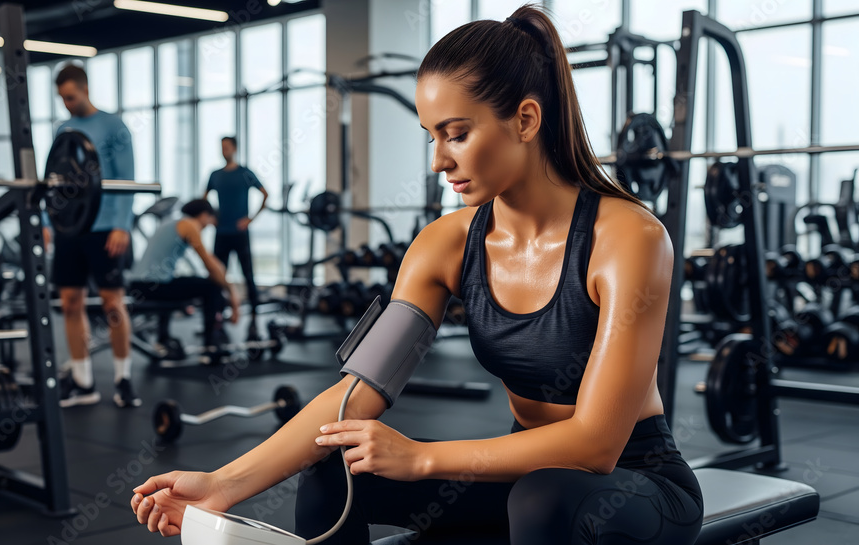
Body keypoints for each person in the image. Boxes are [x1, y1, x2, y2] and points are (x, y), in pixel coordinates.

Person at [130, 6, 703, 545]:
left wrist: (422, 458)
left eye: (456, 134)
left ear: (526, 119)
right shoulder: (445, 243)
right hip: (521, 472)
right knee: (336, 474)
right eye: (431, 136)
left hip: (635, 483)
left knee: (544, 496)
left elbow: (596, 446)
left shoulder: (628, 236)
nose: (438, 161)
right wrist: (226, 484)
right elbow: (357, 395)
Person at [46, 64, 139, 409]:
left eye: (70, 97)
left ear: (85, 90)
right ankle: (84, 382)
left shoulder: (114, 126)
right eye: (61, 98)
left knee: (112, 303)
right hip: (70, 228)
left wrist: (121, 224)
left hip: (104, 228)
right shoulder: (63, 129)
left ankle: (123, 378)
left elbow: (126, 178)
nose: (66, 104)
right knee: (70, 303)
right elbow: (55, 179)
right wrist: (47, 220)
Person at [129, 199, 241, 350]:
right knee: (211, 287)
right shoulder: (190, 224)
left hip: (140, 284)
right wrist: (233, 295)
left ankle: (163, 338)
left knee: (175, 281)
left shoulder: (172, 222)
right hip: (153, 286)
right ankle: (212, 343)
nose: (208, 226)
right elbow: (210, 264)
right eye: (209, 221)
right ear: (203, 215)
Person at [201, 136, 268, 321]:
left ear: (235, 149)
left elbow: (265, 195)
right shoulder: (215, 175)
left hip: (240, 233)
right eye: (222, 148)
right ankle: (217, 312)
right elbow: (204, 199)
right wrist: (211, 218)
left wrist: (251, 219)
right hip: (221, 233)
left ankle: (255, 315)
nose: (224, 151)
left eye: (227, 148)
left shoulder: (245, 173)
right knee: (217, 275)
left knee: (248, 274)